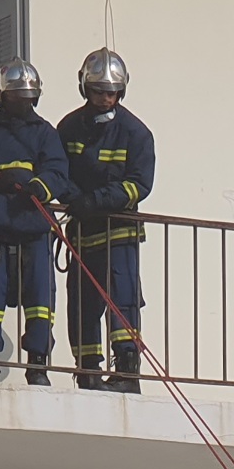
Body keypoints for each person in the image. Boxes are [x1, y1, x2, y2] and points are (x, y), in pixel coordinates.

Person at [0, 60, 73, 383]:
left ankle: (38, 364)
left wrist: (39, 186)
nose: (22, 103)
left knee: (40, 297)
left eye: (27, 98)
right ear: (1, 95)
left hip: (34, 224)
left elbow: (58, 173)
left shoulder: (45, 133)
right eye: (16, 97)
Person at [58, 49, 156, 393]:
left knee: (122, 300)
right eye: (98, 91)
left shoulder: (135, 132)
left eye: (111, 92)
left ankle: (127, 372)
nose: (104, 98)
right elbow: (58, 170)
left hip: (119, 234)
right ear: (85, 87)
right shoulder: (69, 128)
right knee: (82, 304)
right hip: (82, 235)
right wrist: (73, 198)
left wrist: (94, 201)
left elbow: (139, 184)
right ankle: (88, 372)